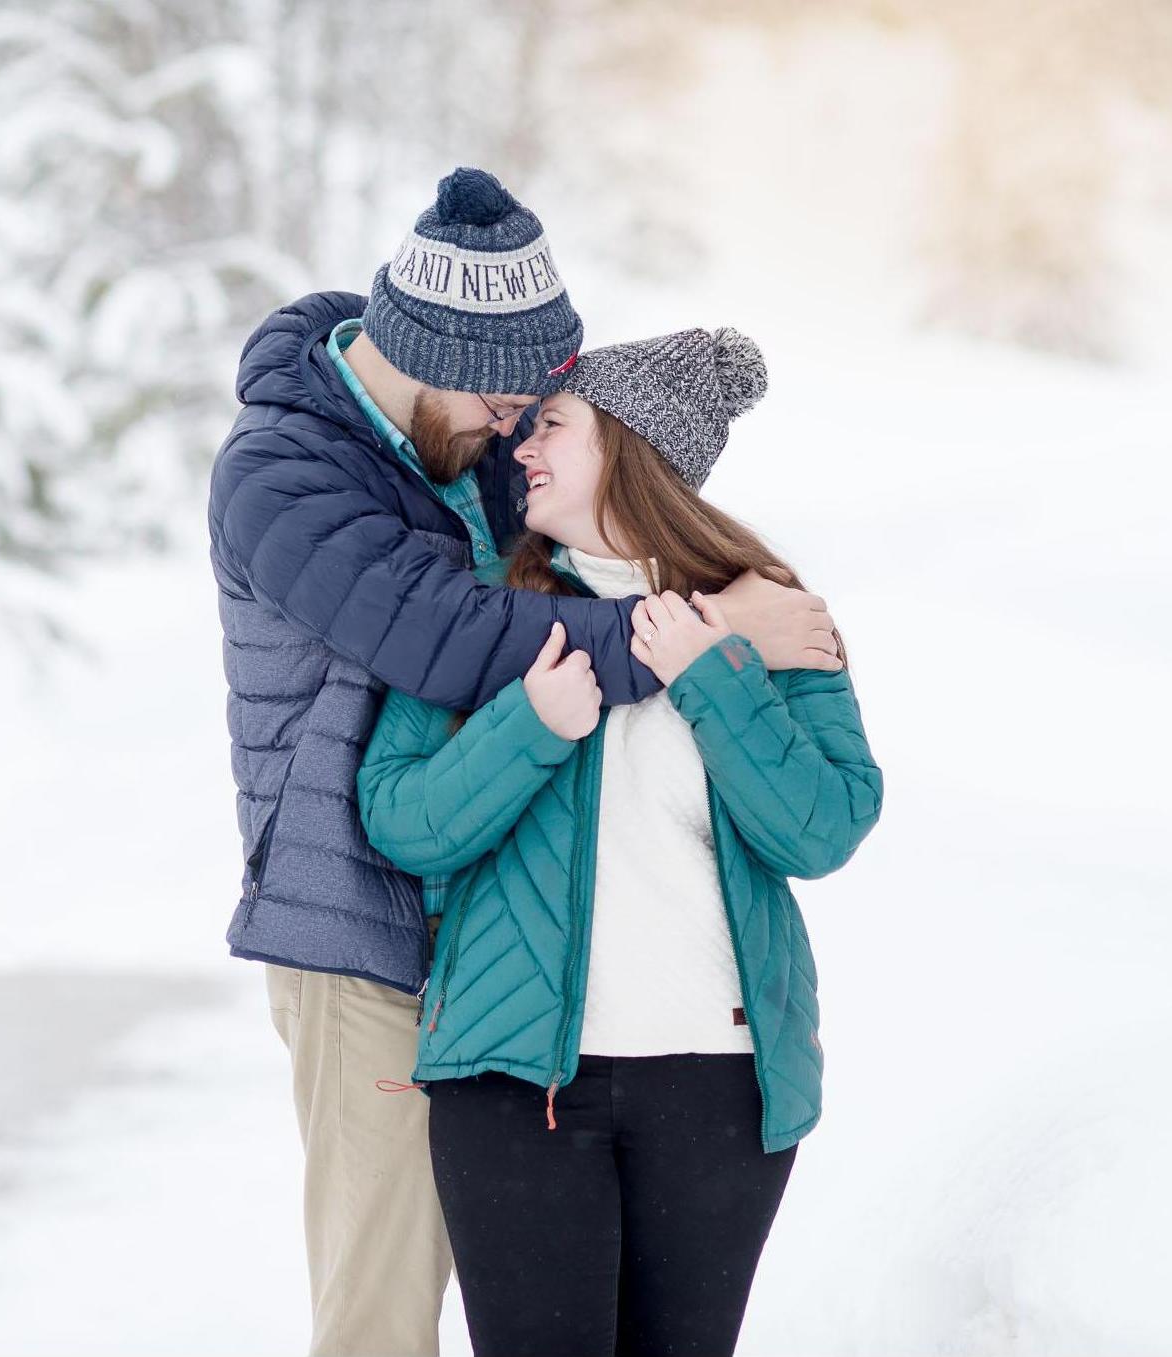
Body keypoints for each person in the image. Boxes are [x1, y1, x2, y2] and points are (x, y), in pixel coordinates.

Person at [208, 166, 846, 1357]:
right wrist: (707, 642)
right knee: (384, 1311)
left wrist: (718, 606)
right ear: (428, 352)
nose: (516, 435)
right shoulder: (280, 475)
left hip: (508, 958)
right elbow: (458, 639)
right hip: (366, 930)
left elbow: (611, 510)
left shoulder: (462, 443)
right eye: (505, 403)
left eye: (528, 412)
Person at [356, 326, 884, 1357]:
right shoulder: (485, 612)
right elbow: (403, 819)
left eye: (551, 424)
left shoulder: (763, 612)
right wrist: (530, 724)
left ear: (630, 447)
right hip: (516, 1084)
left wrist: (712, 674)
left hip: (718, 1086)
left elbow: (820, 829)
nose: (519, 447)